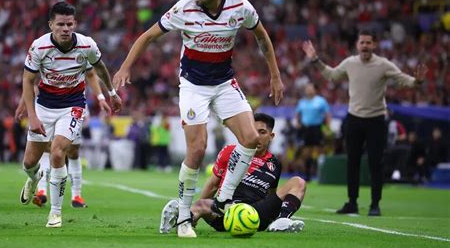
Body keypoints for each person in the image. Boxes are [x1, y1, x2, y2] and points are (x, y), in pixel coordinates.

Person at [113, 0, 284, 237]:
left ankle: (222, 200)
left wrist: (275, 75)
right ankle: (183, 217)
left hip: (225, 83)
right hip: (193, 86)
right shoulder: (183, 9)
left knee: (251, 139)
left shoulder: (240, 7)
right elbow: (148, 36)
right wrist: (125, 67)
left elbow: (262, 36)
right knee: (196, 149)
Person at [302, 30, 428, 216]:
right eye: (362, 42)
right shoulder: (350, 63)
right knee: (352, 163)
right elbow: (332, 75)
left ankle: (375, 205)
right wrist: (315, 60)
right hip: (354, 119)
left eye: (369, 42)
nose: (365, 46)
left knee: (376, 163)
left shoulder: (383, 65)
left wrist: (417, 81)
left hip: (376, 120)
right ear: (357, 45)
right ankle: (352, 202)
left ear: (374, 45)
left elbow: (402, 79)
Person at [19, 1, 122, 228]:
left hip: (73, 105)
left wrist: (111, 93)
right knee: (28, 163)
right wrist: (32, 115)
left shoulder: (87, 45)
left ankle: (55, 213)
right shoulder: (39, 47)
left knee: (58, 152)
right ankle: (34, 178)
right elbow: (28, 80)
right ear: (51, 25)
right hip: (44, 106)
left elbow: (100, 69)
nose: (65, 29)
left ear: (75, 24)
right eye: (60, 24)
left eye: (69, 24)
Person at [159, 113, 306, 234]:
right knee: (200, 204)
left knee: (298, 182)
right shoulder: (230, 151)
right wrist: (198, 210)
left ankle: (281, 222)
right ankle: (182, 220)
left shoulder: (275, 164)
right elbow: (212, 186)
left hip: (257, 213)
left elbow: (272, 195)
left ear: (271, 136)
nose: (257, 136)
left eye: (262, 132)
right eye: (253, 131)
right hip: (227, 209)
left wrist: (272, 214)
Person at [15, 67, 112, 208]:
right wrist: (22, 105)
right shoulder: (46, 50)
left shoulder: (82, 48)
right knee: (47, 148)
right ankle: (42, 191)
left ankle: (76, 195)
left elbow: (91, 74)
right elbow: (30, 80)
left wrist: (100, 97)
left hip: (73, 105)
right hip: (47, 106)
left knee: (72, 151)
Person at [295, 83, 331, 180]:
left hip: (317, 128)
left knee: (319, 150)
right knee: (306, 152)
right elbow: (298, 114)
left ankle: (321, 173)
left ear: (315, 90)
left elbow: (327, 114)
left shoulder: (321, 101)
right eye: (307, 89)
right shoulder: (302, 102)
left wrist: (327, 128)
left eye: (311, 89)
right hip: (306, 128)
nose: (309, 90)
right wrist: (298, 123)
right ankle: (308, 174)